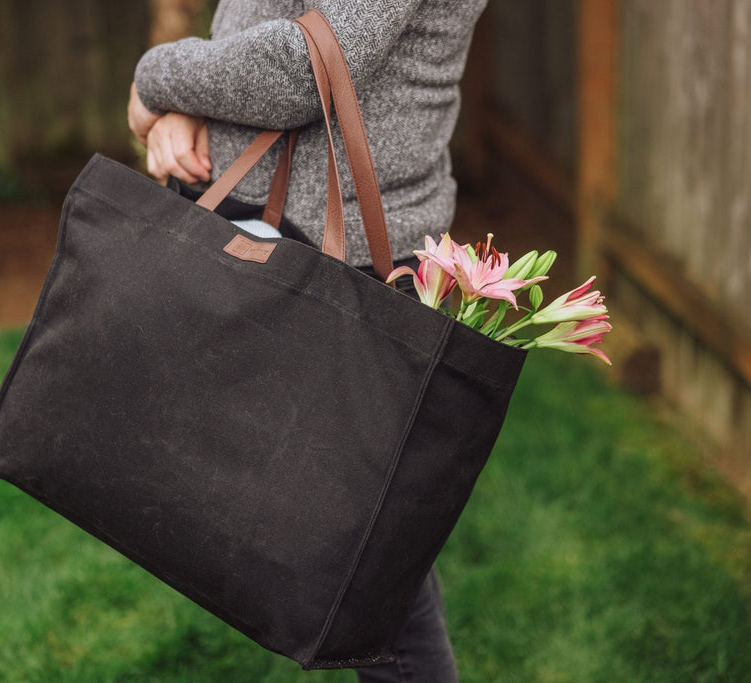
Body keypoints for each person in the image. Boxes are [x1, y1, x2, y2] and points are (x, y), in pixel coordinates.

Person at [128, 1, 488, 680]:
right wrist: (191, 106)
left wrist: (158, 78)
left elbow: (306, 66)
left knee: (372, 574)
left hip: (349, 266)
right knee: (366, 555)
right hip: (272, 236)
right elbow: (267, 21)